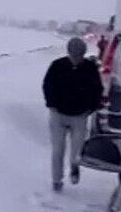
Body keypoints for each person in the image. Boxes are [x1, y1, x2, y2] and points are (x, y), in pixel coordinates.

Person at [42, 37, 103, 192]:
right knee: (58, 150)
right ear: (69, 53)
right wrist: (51, 104)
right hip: (58, 115)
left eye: (79, 56)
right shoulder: (57, 66)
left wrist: (92, 108)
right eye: (74, 56)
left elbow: (97, 90)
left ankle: (74, 167)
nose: (76, 59)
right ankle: (57, 180)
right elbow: (47, 85)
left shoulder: (90, 69)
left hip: (79, 116)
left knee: (77, 150)